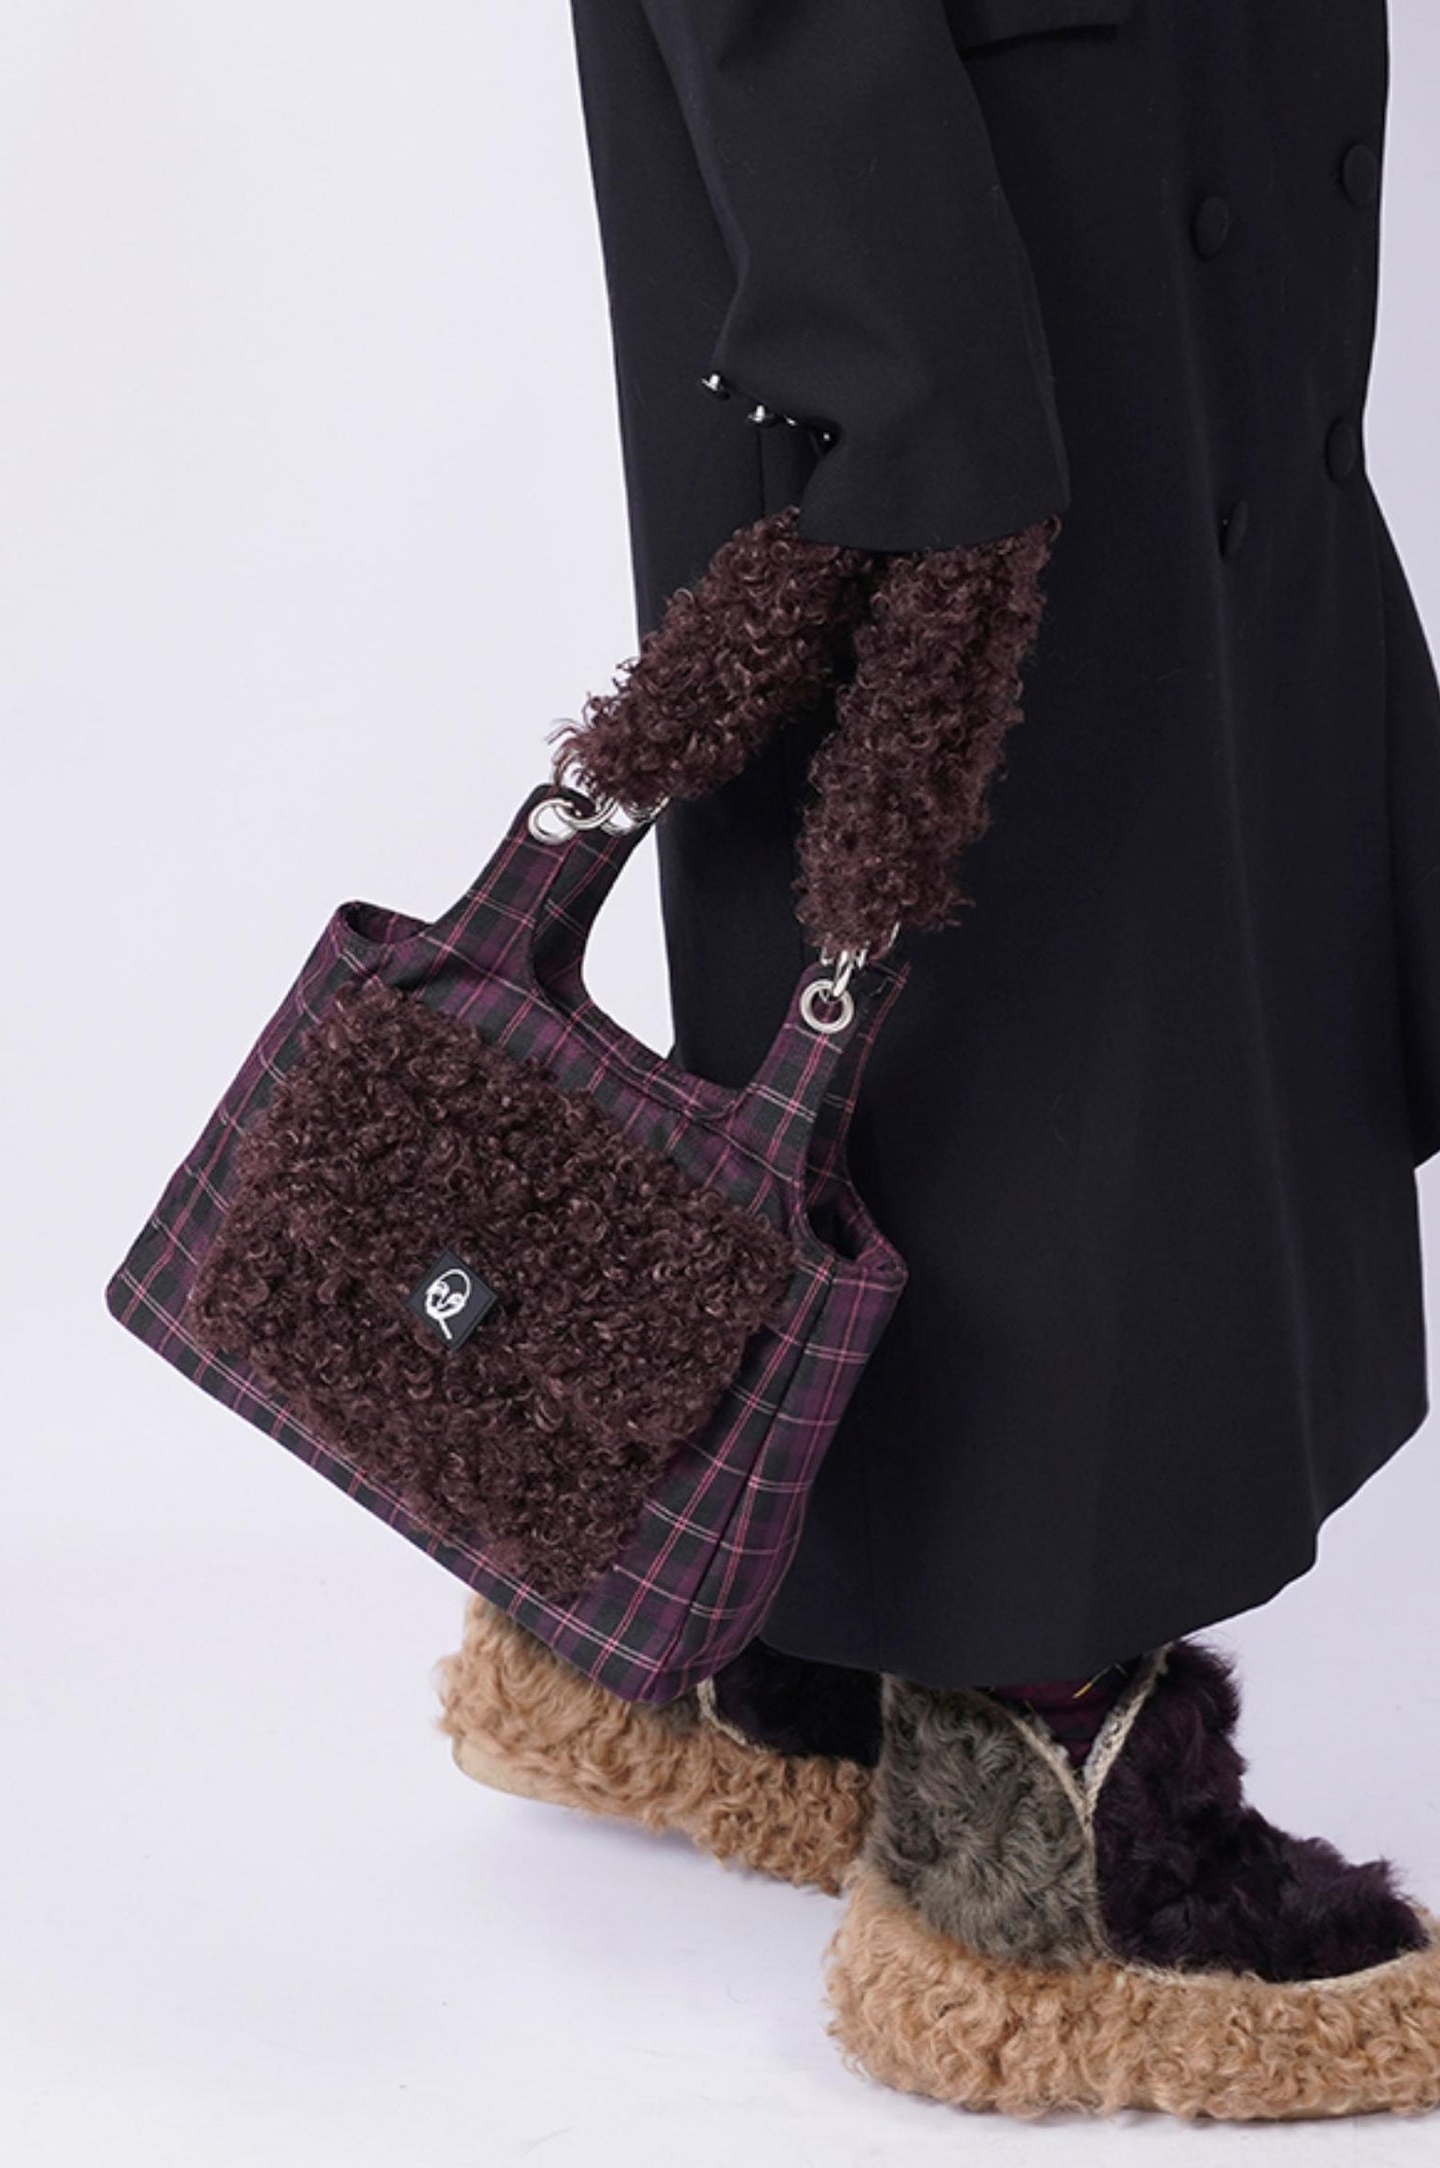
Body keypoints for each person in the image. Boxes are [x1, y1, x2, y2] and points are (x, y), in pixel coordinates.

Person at [439, 0, 1440, 2120]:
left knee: (1168, 923)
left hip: (1150, 152)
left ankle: (758, 1641)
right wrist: (901, 345)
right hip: (960, 218)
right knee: (1032, 979)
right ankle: (1036, 1848)